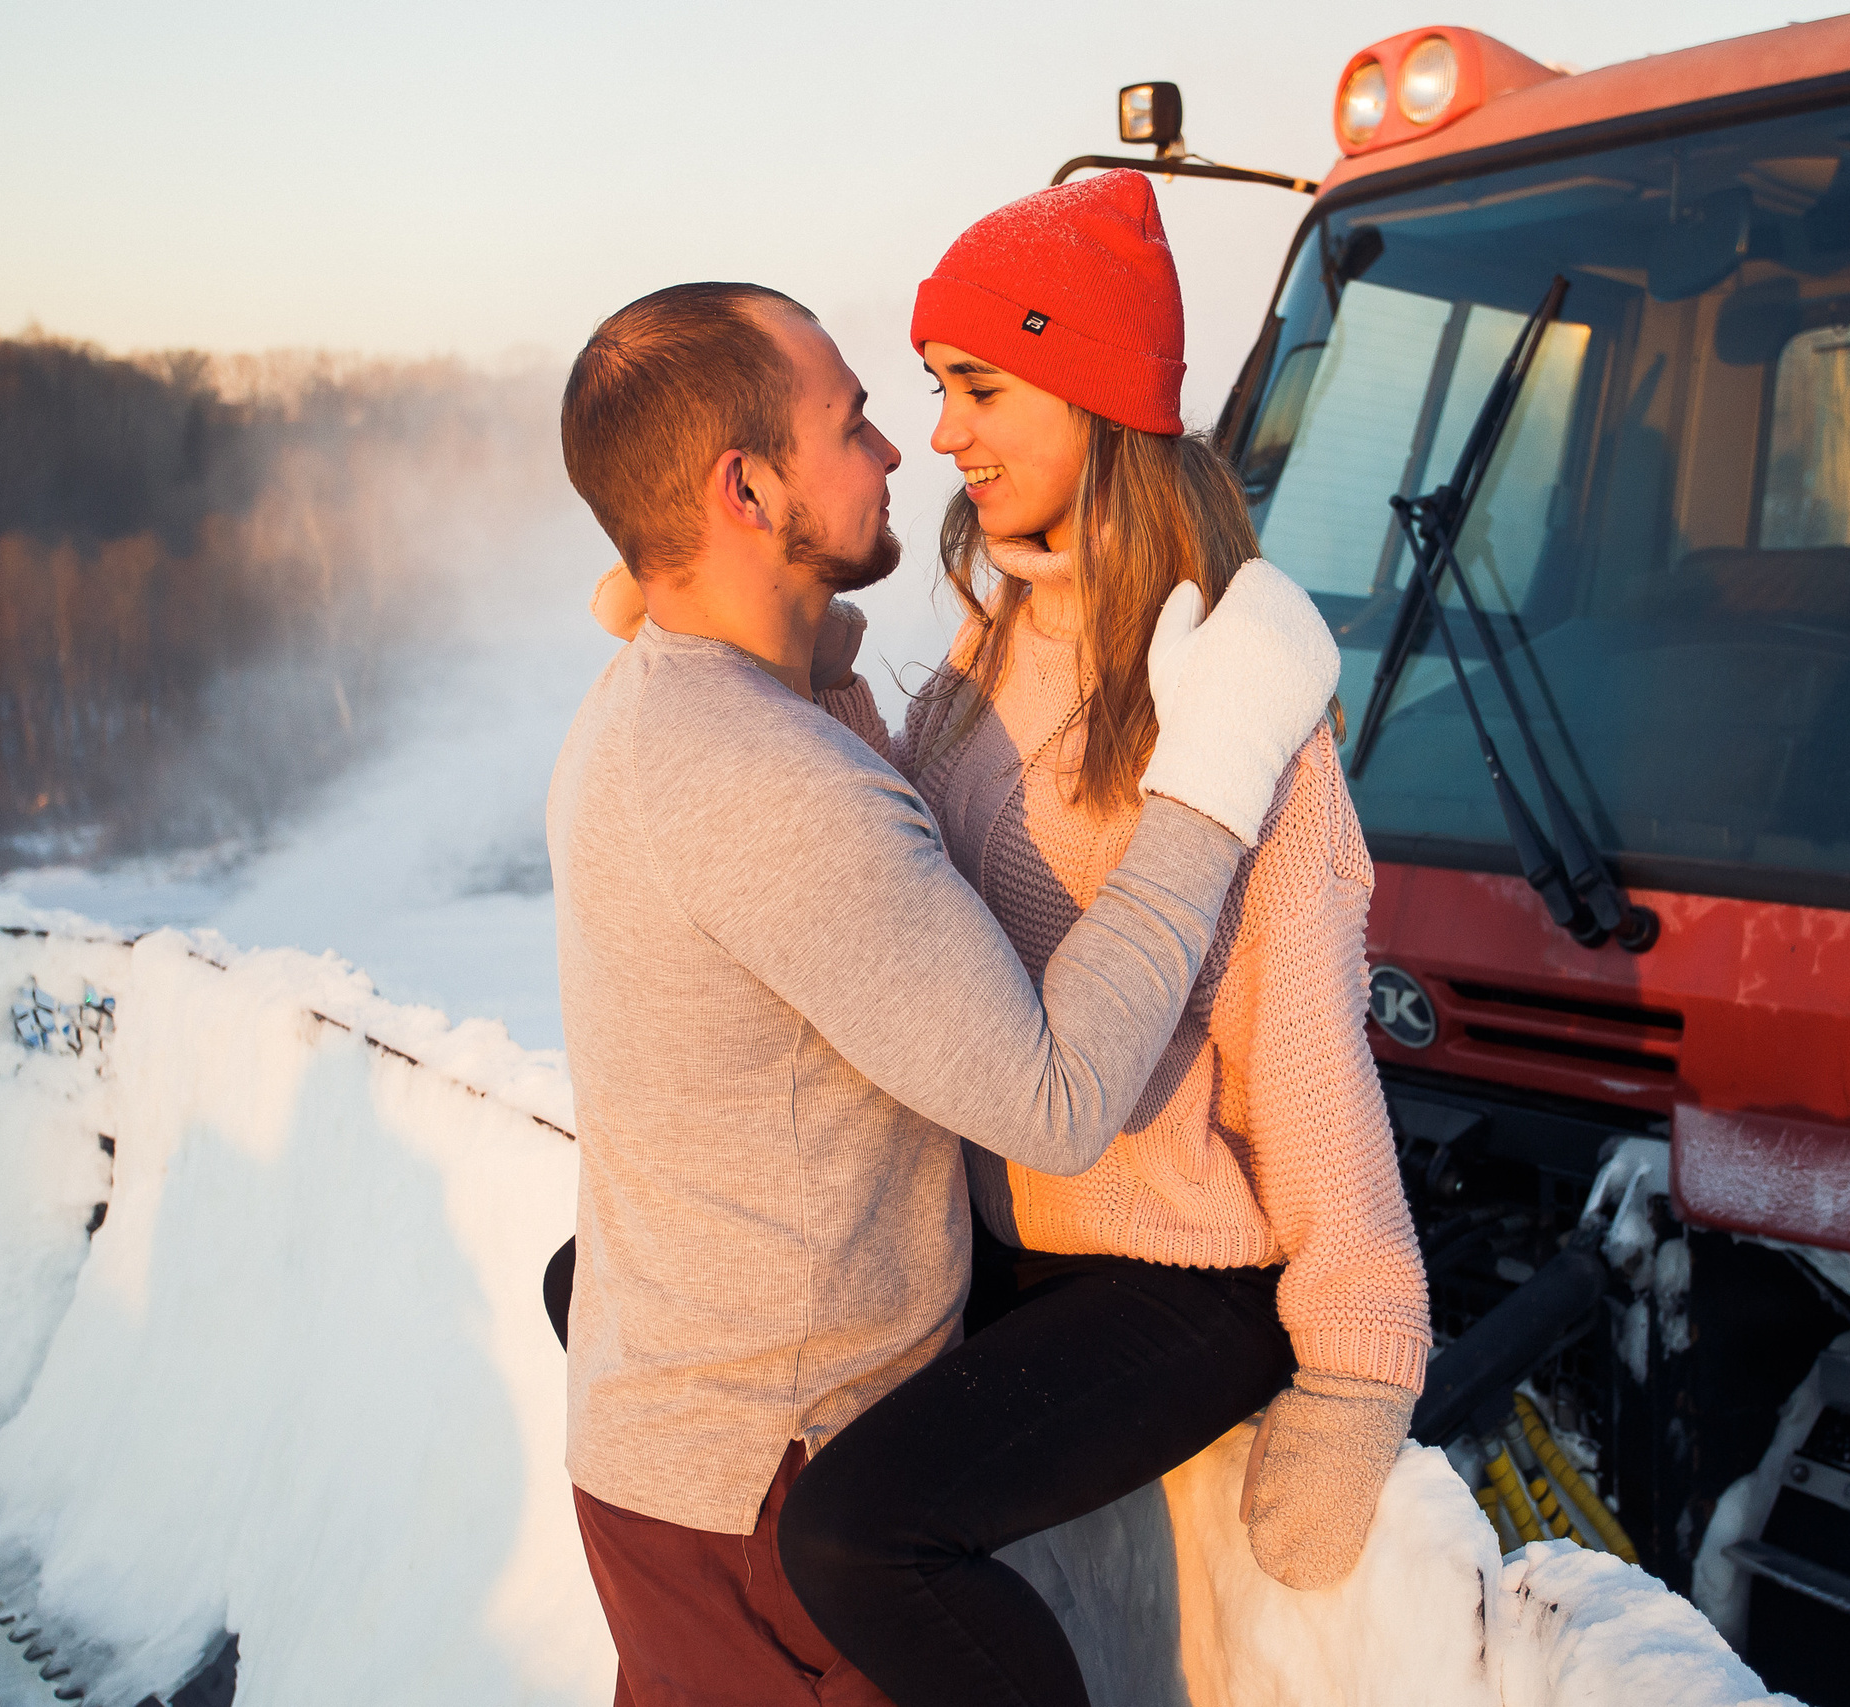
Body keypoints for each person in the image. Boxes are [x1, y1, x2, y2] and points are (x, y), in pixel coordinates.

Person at [547, 277, 1339, 1707]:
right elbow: (1056, 1098)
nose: (899, 448)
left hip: (671, 1460)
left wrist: (802, 640)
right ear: (747, 489)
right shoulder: (773, 784)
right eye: (851, 423)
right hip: (774, 1492)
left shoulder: (647, 707)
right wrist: (1210, 779)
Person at [777, 172, 1433, 1707]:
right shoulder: (1004, 623)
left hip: (1180, 1268)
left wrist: (1356, 1363)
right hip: (1009, 1223)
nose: (946, 432)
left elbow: (1304, 1047)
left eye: (982, 387)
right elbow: (914, 873)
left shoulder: (1233, 681)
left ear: (1094, 394)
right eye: (938, 387)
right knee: (624, 1294)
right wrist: (796, 674)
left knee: (862, 1538)